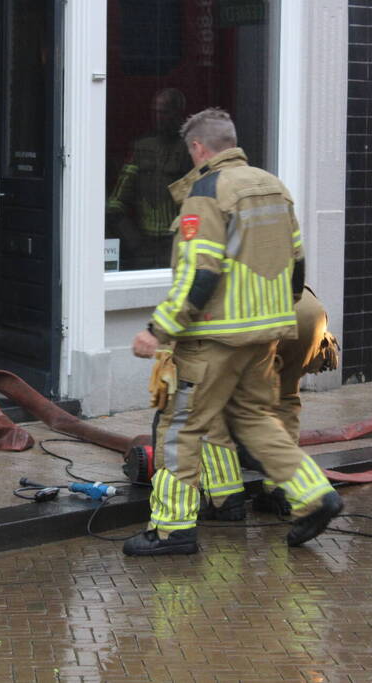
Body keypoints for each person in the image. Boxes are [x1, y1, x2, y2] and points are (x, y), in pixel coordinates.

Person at [127, 108, 342, 556]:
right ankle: (315, 495)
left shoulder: (206, 192)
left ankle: (171, 530)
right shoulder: (274, 187)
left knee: (181, 428)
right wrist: (276, 311)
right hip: (264, 335)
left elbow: (200, 273)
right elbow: (296, 261)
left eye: (190, 151)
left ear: (199, 149)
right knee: (256, 418)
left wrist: (159, 329)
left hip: (213, 340)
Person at [198, 287, 339, 521]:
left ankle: (225, 499)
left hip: (255, 314)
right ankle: (279, 490)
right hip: (307, 312)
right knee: (284, 396)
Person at [106, 88, 192, 270]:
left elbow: (199, 201)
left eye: (164, 112)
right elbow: (115, 203)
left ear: (178, 113)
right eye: (155, 111)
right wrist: (134, 241)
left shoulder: (189, 150)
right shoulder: (141, 148)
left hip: (177, 242)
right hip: (143, 245)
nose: (159, 117)